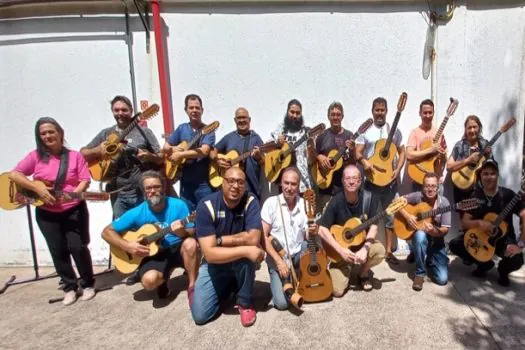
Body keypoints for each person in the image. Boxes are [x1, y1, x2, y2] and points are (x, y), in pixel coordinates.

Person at [9, 117, 96, 305]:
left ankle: (88, 283)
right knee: (58, 250)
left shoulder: (75, 156)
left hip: (73, 209)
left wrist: (74, 194)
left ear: (60, 133)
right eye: (43, 133)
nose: (48, 136)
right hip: (46, 213)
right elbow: (15, 174)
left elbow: (84, 179)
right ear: (39, 137)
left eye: (51, 131)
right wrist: (36, 187)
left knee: (78, 247)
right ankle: (70, 287)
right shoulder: (35, 157)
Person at [101, 171, 198, 302]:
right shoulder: (137, 212)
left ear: (163, 188)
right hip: (153, 254)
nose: (153, 191)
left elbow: (191, 230)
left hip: (177, 248)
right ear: (144, 192)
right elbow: (106, 232)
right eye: (148, 188)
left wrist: (181, 232)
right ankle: (163, 279)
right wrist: (128, 246)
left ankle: (193, 285)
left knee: (191, 243)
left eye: (157, 186)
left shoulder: (178, 205)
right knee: (149, 282)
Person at [191, 167, 264, 327]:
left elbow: (253, 238)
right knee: (201, 316)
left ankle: (245, 302)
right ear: (222, 182)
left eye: (240, 182)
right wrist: (246, 248)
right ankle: (229, 286)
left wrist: (219, 240)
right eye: (230, 181)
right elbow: (209, 254)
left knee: (248, 260)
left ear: (244, 185)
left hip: (240, 262)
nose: (235, 186)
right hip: (214, 264)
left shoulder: (250, 201)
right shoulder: (206, 205)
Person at [81, 95, 164, 218]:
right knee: (120, 229)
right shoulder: (106, 133)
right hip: (117, 193)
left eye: (124, 110)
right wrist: (98, 150)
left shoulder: (144, 132)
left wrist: (150, 156)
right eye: (116, 110)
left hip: (141, 191)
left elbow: (161, 156)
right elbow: (82, 153)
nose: (120, 113)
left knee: (145, 227)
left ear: (131, 111)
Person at [449, 159, 525, 287]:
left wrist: (521, 244)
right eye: (485, 173)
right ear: (480, 176)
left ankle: (503, 270)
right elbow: (464, 223)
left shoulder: (507, 195)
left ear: (497, 175)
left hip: (504, 240)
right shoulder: (475, 196)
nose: (489, 177)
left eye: (492, 173)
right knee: (455, 244)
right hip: (481, 239)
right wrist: (479, 223)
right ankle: (484, 264)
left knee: (517, 259)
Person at [317, 165, 385, 295]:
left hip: (361, 247)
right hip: (341, 251)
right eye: (348, 178)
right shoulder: (336, 201)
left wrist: (365, 249)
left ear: (360, 181)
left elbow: (374, 228)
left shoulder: (369, 199)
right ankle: (346, 269)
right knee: (337, 291)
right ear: (343, 181)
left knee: (379, 251)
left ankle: (363, 273)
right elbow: (322, 230)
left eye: (355, 178)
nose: (351, 181)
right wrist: (341, 251)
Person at [355, 97, 405, 265]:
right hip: (371, 181)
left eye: (382, 110)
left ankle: (389, 251)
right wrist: (364, 162)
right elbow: (357, 153)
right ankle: (366, 250)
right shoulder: (366, 131)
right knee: (368, 217)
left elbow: (402, 152)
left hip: (390, 182)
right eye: (377, 109)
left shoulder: (394, 130)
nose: (379, 113)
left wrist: (398, 170)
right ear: (372, 111)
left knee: (390, 216)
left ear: (387, 111)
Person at [261, 167, 316, 310]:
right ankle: (282, 279)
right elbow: (263, 236)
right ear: (281, 183)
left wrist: (312, 231)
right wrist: (279, 262)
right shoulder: (271, 203)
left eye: (293, 184)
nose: (289, 188)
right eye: (286, 183)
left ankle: (298, 275)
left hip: (296, 256)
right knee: (282, 304)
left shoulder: (304, 204)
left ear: (298, 186)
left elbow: (307, 237)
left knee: (308, 246)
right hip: (277, 259)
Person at [398, 173, 451, 291]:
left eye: (433, 186)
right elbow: (395, 201)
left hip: (436, 243)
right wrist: (407, 217)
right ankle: (420, 273)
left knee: (442, 279)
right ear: (422, 187)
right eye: (427, 186)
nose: (430, 189)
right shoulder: (418, 197)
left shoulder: (444, 203)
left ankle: (429, 259)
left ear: (438, 188)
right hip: (420, 239)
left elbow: (445, 230)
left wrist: (433, 230)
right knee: (420, 235)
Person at [164, 94, 214, 210]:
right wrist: (173, 149)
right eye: (191, 108)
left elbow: (204, 150)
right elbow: (166, 146)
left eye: (197, 107)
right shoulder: (182, 128)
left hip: (203, 184)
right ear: (186, 110)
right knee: (187, 217)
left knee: (206, 214)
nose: (194, 110)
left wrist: (181, 154)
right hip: (185, 183)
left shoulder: (208, 130)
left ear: (202, 110)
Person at [210, 107, 264, 200]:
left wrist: (259, 157)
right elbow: (212, 150)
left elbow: (263, 162)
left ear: (249, 120)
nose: (242, 120)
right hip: (230, 190)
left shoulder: (256, 138)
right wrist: (216, 160)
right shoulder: (229, 137)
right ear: (235, 120)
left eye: (244, 117)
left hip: (251, 189)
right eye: (239, 118)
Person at [314, 102, 355, 211]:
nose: (335, 117)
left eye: (338, 114)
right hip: (326, 189)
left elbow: (353, 164)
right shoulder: (321, 137)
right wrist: (319, 157)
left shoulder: (349, 136)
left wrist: (352, 150)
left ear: (342, 116)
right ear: (328, 117)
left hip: (345, 190)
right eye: (333, 114)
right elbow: (313, 158)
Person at [271, 99, 316, 193]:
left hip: (303, 186)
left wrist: (311, 147)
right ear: (287, 112)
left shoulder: (307, 132)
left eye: (298, 113)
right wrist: (277, 143)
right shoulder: (279, 130)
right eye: (292, 112)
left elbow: (311, 161)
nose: (294, 116)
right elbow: (268, 151)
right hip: (283, 185)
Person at [447, 115, 492, 205]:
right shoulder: (459, 145)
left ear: (479, 128)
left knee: (480, 216)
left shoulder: (484, 144)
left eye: (474, 127)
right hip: (462, 189)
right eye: (469, 127)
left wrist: (487, 156)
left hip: (480, 189)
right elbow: (449, 166)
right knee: (463, 217)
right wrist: (468, 160)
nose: (472, 130)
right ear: (465, 129)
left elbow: (491, 168)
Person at [406, 99, 448, 193]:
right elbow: (408, 155)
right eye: (425, 113)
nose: (428, 116)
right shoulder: (415, 132)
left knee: (438, 208)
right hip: (418, 179)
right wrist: (430, 150)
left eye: (430, 112)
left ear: (433, 113)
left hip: (436, 182)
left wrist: (443, 155)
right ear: (420, 113)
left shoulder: (439, 133)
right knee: (419, 208)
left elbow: (444, 161)